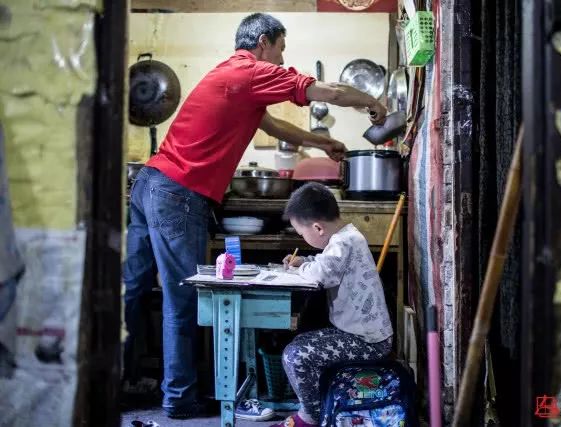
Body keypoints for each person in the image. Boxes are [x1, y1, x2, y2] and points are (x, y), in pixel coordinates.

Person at [123, 12, 388, 419]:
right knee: (182, 299)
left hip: (149, 184)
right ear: (263, 41)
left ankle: (114, 385)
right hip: (177, 192)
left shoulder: (230, 75)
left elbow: (272, 125)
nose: (282, 59)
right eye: (281, 48)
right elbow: (330, 91)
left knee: (134, 289)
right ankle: (179, 398)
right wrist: (372, 102)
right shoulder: (254, 72)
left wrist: (320, 142)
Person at [274, 182, 393, 427]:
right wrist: (304, 261)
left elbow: (321, 274)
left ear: (317, 228)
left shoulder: (344, 242)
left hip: (368, 342)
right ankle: (321, 408)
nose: (302, 238)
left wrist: (301, 268)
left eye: (301, 233)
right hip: (362, 335)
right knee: (300, 342)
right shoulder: (346, 237)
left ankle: (311, 418)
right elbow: (326, 263)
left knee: (295, 356)